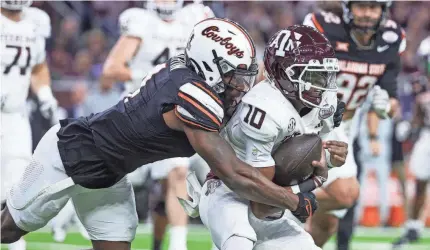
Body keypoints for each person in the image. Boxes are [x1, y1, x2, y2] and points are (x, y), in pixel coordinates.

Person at [1, 18, 312, 250]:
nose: (240, 87)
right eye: (233, 77)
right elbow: (232, 173)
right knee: (8, 230)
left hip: (110, 171)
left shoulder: (187, 73)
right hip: (72, 155)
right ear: (210, 66)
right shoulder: (192, 94)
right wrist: (290, 199)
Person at [182, 25, 348, 250]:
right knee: (239, 241)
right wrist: (310, 184)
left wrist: (329, 158)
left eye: (323, 74)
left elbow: (310, 155)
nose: (320, 84)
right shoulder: (264, 109)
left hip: (272, 203)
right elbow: (259, 194)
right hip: (229, 192)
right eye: (311, 74)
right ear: (282, 73)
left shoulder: (325, 102)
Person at [102, 2, 214, 249]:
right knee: (160, 186)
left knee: (177, 174)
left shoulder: (195, 16)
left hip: (179, 108)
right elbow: (111, 69)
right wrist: (148, 76)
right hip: (142, 109)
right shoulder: (141, 21)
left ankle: (176, 244)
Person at [303, 0, 404, 248]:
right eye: (361, 6)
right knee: (345, 193)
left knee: (329, 222)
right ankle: (270, 196)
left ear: (384, 10)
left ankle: (274, 196)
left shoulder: (391, 39)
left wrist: (385, 107)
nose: (368, 14)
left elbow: (392, 101)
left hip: (345, 127)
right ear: (348, 7)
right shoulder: (325, 27)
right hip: (307, 119)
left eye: (374, 7)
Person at [1, 1, 58, 249]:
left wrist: (45, 94)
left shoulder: (35, 21)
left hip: (15, 116)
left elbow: (38, 66)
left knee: (15, 191)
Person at [392, 36, 430, 249]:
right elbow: (416, 110)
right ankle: (414, 226)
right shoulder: (419, 82)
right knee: (420, 181)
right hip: (427, 134)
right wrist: (408, 124)